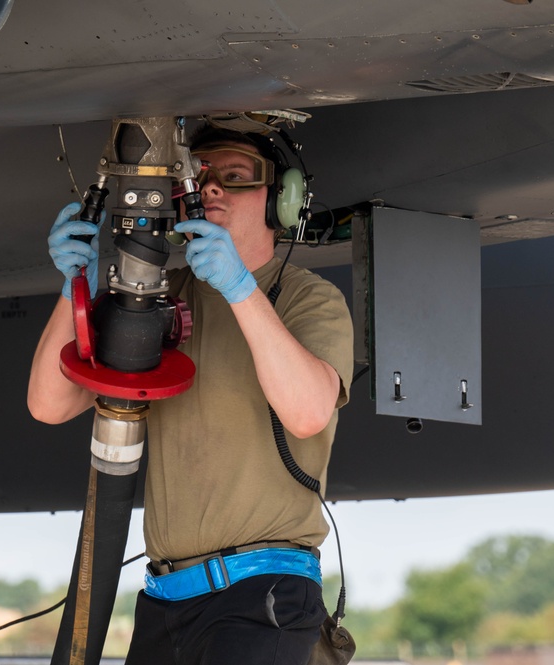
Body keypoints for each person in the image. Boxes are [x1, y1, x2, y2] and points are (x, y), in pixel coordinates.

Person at [28, 125, 354, 665]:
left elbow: (307, 411)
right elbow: (49, 404)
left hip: (260, 594)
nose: (214, 188)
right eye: (202, 176)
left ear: (281, 203)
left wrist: (240, 290)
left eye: (235, 177)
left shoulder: (309, 300)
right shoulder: (161, 296)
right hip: (167, 603)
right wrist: (74, 289)